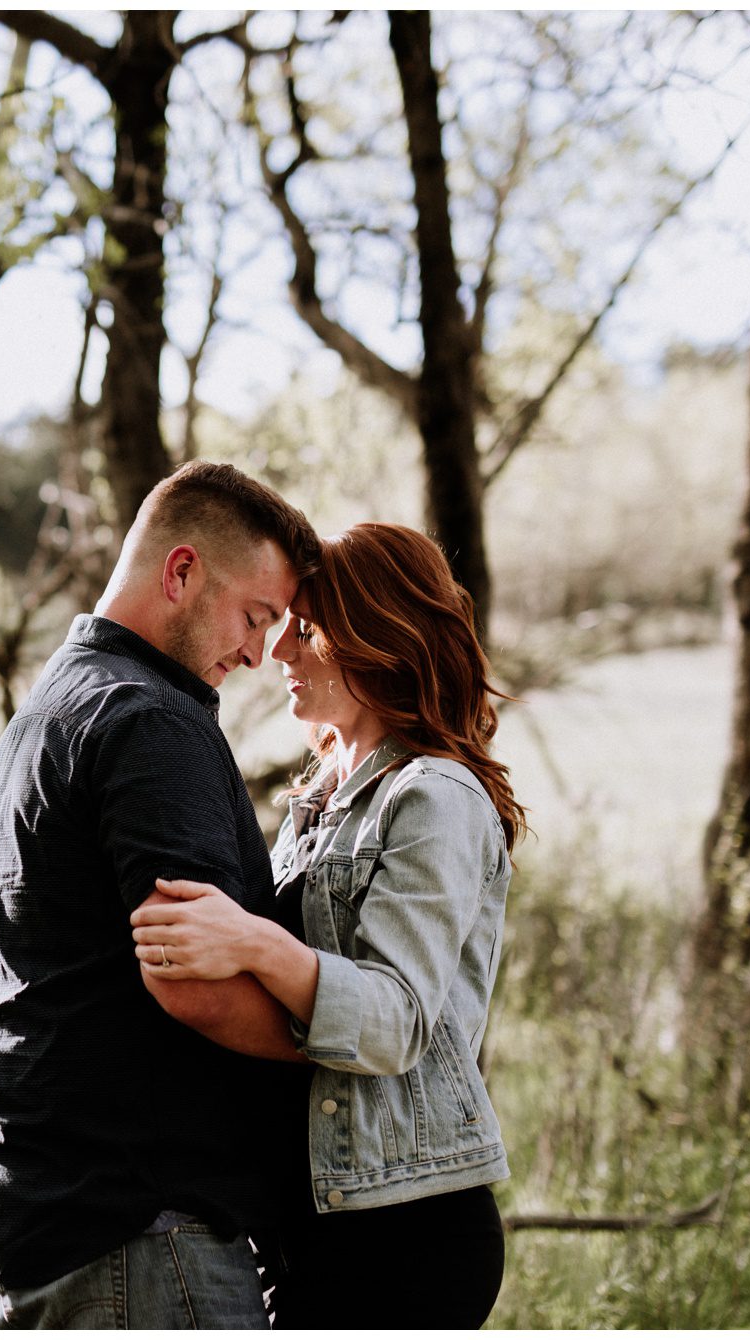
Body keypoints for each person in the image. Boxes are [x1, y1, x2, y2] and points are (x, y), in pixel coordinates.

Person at [0, 461, 322, 1329]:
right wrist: (350, 1044)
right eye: (256, 616)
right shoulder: (151, 719)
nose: (260, 652)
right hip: (136, 1239)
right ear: (181, 571)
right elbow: (192, 982)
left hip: (19, 1217)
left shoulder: (49, 708)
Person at [130, 521, 526, 1329]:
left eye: (307, 631)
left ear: (381, 638)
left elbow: (394, 1022)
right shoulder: (317, 808)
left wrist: (254, 941)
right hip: (311, 1220)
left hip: (403, 1231)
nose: (280, 654)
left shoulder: (435, 798)